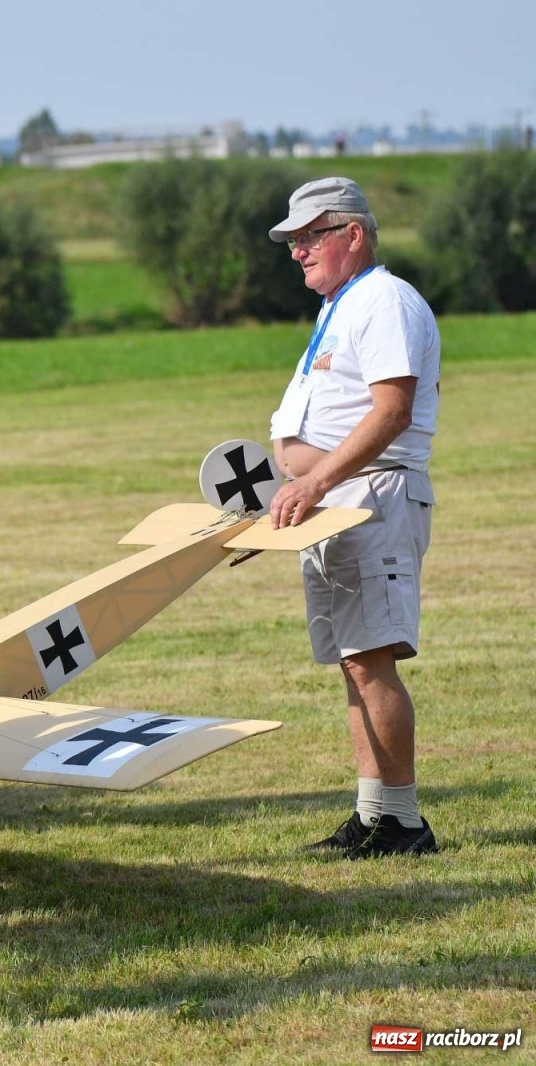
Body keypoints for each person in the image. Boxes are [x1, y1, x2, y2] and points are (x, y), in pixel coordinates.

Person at [266, 177, 442, 858]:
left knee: (372, 663)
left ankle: (403, 822)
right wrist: (292, 496)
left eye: (311, 236)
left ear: (354, 234)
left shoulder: (385, 301)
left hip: (372, 498)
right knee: (353, 663)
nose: (298, 251)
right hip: (335, 501)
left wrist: (314, 481)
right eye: (294, 240)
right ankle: (371, 813)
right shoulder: (342, 305)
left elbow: (391, 411)